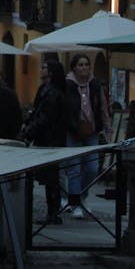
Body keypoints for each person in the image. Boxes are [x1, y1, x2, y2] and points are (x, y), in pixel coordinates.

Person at [65, 53, 111, 218]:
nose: (84, 67)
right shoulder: (68, 85)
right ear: (74, 68)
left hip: (92, 131)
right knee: (74, 169)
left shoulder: (95, 85)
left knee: (92, 168)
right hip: (73, 131)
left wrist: (107, 128)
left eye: (86, 64)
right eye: (80, 64)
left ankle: (82, 196)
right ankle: (75, 203)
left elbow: (103, 108)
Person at [22, 60, 68, 222]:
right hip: (48, 138)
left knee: (51, 178)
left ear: (51, 72)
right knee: (50, 178)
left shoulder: (53, 93)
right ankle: (52, 211)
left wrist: (29, 131)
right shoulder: (46, 90)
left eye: (44, 67)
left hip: (50, 140)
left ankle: (53, 212)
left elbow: (45, 117)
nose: (41, 69)